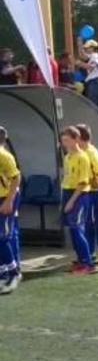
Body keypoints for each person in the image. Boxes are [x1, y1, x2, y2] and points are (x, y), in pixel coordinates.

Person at [60, 126, 95, 275]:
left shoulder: (83, 157)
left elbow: (83, 182)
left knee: (77, 228)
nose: (64, 143)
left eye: (67, 140)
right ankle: (80, 260)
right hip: (68, 192)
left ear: (76, 139)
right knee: (73, 230)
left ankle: (88, 263)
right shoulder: (68, 157)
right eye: (63, 141)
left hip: (79, 195)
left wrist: (71, 201)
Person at [75, 124, 98, 264]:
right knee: (88, 222)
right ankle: (90, 252)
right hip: (89, 191)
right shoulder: (81, 152)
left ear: (79, 138)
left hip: (97, 191)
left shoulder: (90, 151)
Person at [0, 126, 21, 294]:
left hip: (5, 198)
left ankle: (13, 274)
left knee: (3, 236)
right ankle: (3, 273)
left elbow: (16, 178)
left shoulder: (4, 156)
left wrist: (9, 201)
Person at [78, 40, 98, 111]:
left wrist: (80, 64)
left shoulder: (95, 56)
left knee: (94, 106)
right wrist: (80, 45)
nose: (86, 49)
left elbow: (91, 66)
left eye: (87, 48)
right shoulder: (94, 56)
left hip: (96, 82)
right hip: (97, 82)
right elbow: (83, 55)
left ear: (93, 48)